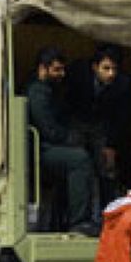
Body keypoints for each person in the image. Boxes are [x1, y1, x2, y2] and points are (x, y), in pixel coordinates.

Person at [27, 46, 98, 236]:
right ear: (43, 69)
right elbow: (49, 129)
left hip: (49, 146)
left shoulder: (51, 90)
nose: (62, 74)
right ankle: (80, 221)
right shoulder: (37, 92)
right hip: (40, 150)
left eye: (62, 69)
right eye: (56, 69)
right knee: (79, 159)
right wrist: (73, 139)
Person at [66, 43, 131, 207]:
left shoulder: (122, 84)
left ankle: (109, 215)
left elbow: (120, 118)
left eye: (114, 69)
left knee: (107, 170)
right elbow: (65, 102)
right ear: (95, 67)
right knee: (77, 167)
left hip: (103, 126)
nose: (111, 74)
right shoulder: (78, 74)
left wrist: (111, 145)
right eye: (106, 68)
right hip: (77, 121)